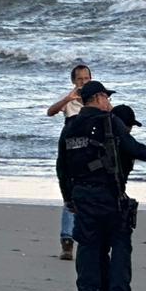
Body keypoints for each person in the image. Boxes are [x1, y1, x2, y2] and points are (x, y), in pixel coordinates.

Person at [57, 81, 146, 291]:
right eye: (107, 98)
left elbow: (62, 167)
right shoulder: (109, 121)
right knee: (120, 244)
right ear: (98, 97)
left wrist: (68, 198)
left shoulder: (70, 126)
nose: (108, 102)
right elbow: (133, 147)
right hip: (108, 195)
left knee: (88, 246)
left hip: (81, 195)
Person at [46, 63, 92, 260]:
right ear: (74, 81)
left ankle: (88, 238)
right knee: (69, 191)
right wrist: (67, 99)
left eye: (86, 78)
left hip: (90, 147)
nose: (83, 82)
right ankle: (67, 240)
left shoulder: (98, 97)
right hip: (70, 146)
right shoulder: (70, 98)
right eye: (79, 79)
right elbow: (50, 112)